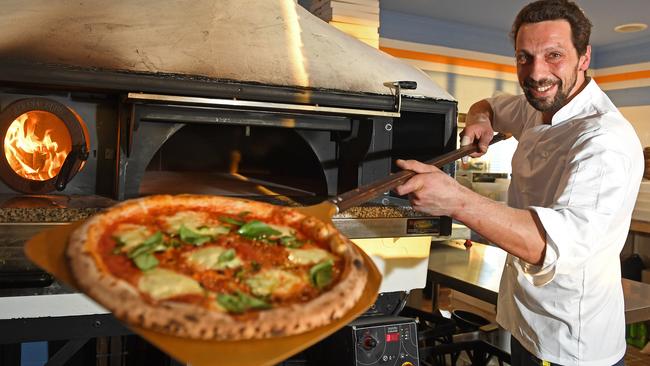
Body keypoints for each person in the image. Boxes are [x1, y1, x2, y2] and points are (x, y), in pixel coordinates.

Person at [394, 0, 643, 365]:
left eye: (554, 55)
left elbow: (547, 244)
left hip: (569, 343)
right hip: (525, 322)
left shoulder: (604, 142)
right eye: (524, 57)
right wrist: (480, 120)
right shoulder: (539, 104)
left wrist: (455, 199)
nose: (536, 73)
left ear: (584, 57)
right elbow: (489, 104)